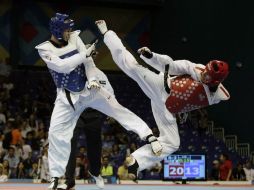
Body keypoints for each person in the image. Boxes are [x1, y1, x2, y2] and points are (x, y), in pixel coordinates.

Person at [35, 13, 161, 190]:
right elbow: (62, 66)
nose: (70, 31)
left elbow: (89, 64)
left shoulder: (75, 38)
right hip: (67, 98)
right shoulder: (45, 49)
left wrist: (92, 78)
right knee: (56, 134)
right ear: (57, 31)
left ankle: (149, 135)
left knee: (118, 109)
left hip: (90, 90)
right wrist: (84, 54)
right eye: (67, 29)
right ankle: (55, 177)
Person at [96, 20, 230, 181]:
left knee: (173, 143)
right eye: (205, 71)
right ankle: (107, 34)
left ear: (215, 82)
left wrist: (184, 110)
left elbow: (196, 99)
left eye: (207, 76)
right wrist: (152, 57)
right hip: (161, 87)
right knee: (131, 67)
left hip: (167, 109)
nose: (203, 75)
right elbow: (171, 66)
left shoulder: (219, 96)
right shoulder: (197, 68)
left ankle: (136, 161)